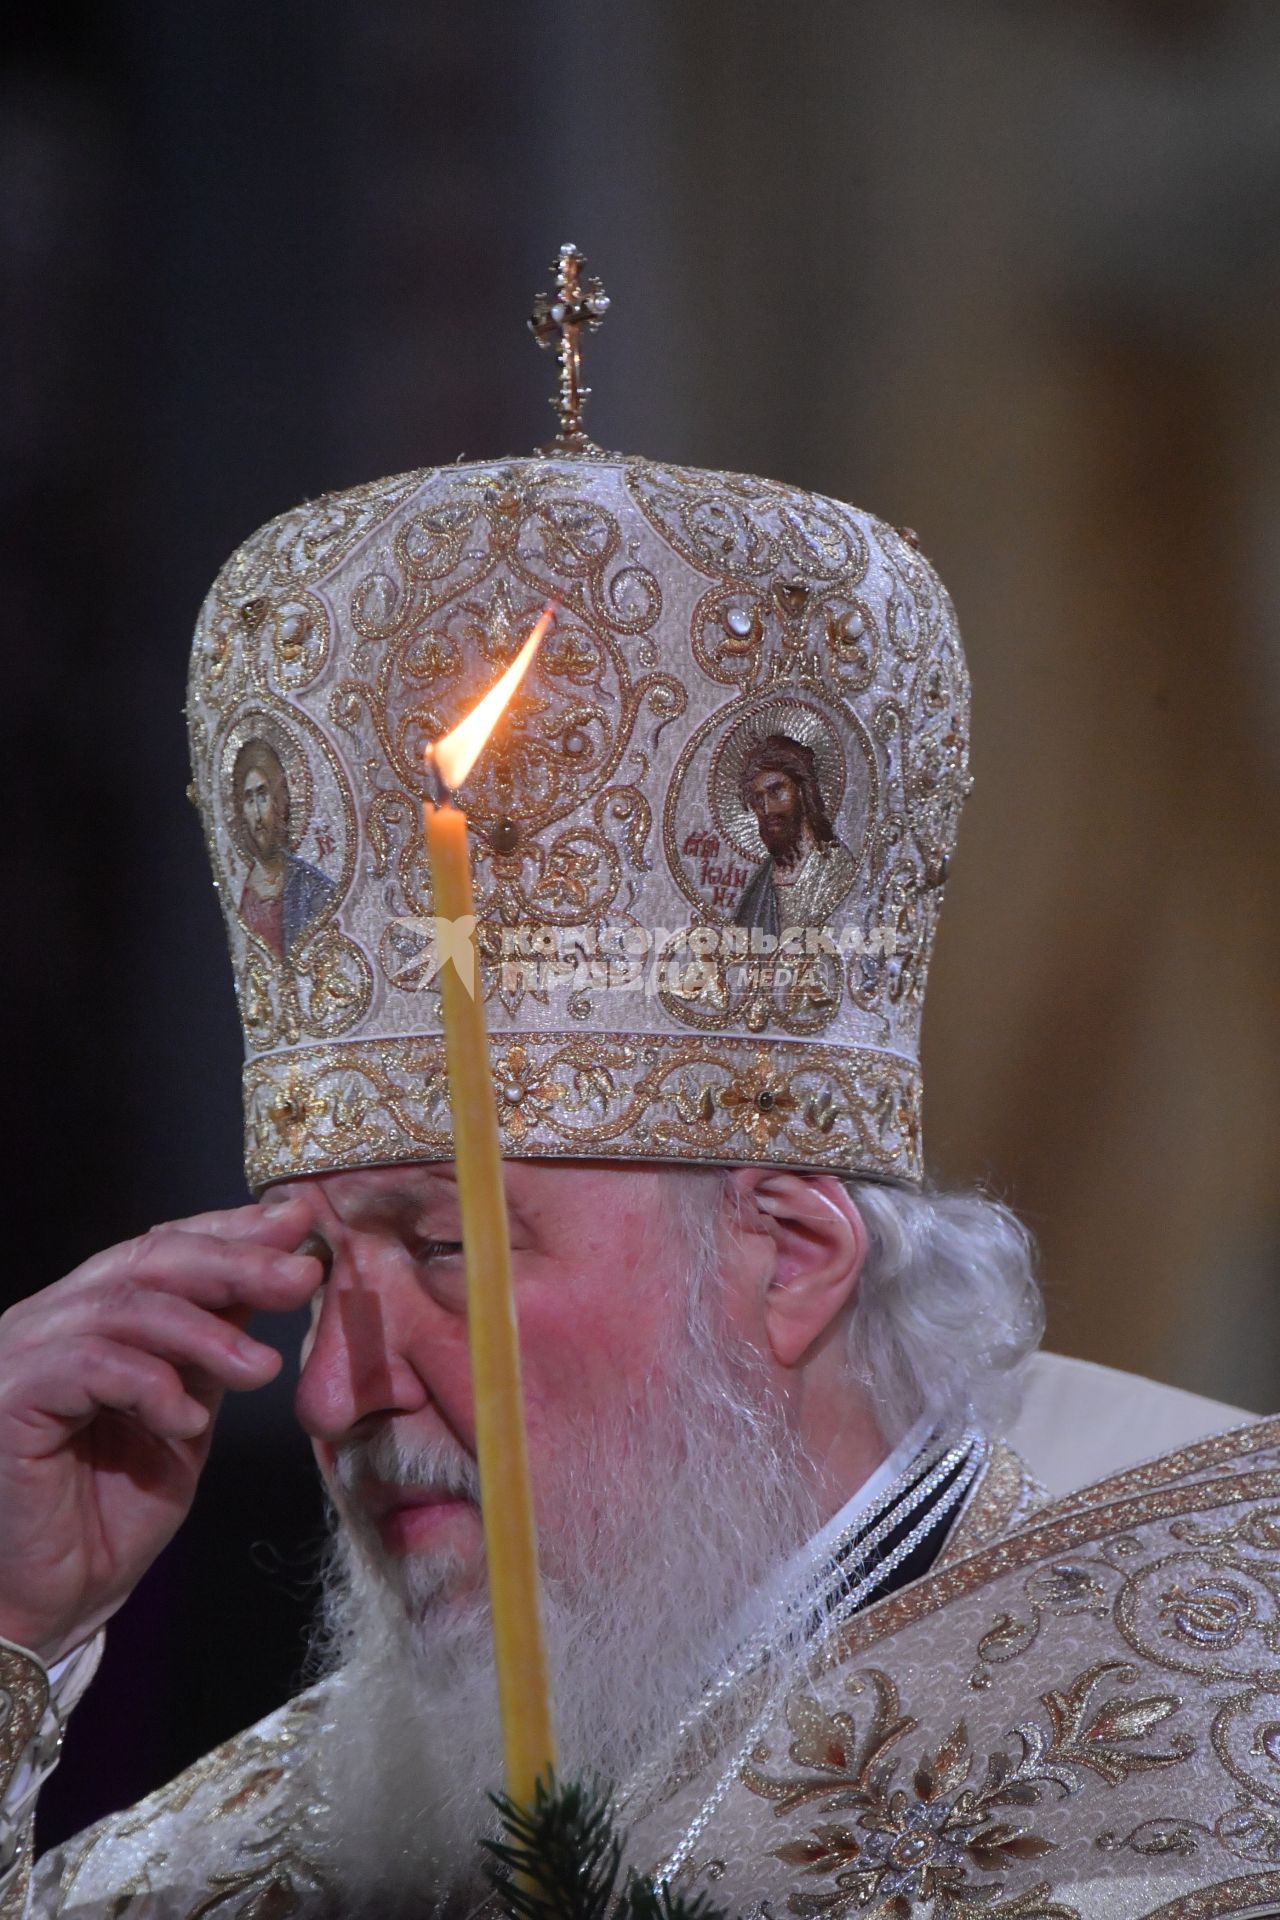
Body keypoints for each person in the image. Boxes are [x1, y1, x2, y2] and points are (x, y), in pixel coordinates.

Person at [1, 260, 1275, 1919]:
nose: (327, 1398)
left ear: (792, 1257)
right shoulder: (277, 1853)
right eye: (320, 1275)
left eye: (448, 1248)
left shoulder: (1221, 1712)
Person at [732, 733, 857, 939]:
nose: (767, 809)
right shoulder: (762, 880)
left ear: (802, 791)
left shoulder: (836, 868)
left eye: (776, 792)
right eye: (757, 798)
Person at [232, 737, 336, 961]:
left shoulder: (311, 885)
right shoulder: (245, 894)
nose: (258, 815)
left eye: (263, 795)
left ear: (279, 801)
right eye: (249, 800)